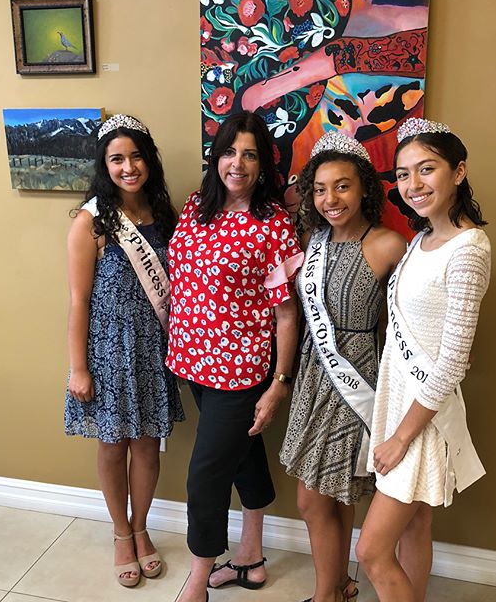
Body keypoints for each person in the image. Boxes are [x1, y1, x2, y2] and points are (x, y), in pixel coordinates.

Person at [167, 111, 303, 602]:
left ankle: (198, 583)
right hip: (192, 363)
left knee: (205, 475)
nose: (238, 164)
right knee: (244, 457)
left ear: (262, 163)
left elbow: (287, 315)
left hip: (241, 372)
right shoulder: (193, 208)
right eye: (229, 151)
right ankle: (251, 558)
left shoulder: (272, 225)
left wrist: (279, 382)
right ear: (216, 156)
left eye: (250, 154)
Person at [355, 118, 491, 602]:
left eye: (426, 169)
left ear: (458, 172)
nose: (413, 185)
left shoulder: (468, 249)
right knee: (415, 527)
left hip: (421, 420)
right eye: (404, 174)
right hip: (402, 402)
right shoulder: (421, 239)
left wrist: (399, 438)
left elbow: (452, 363)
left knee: (371, 551)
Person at [279, 131, 406, 602]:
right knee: (322, 496)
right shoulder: (312, 241)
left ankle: (325, 593)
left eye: (343, 186)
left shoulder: (390, 245)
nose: (330, 199)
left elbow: (402, 328)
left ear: (364, 189)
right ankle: (338, 584)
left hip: (359, 382)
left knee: (326, 495)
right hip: (316, 374)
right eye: (320, 188)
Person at [65, 114, 184, 588]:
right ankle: (120, 534)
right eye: (117, 158)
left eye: (136, 156)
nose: (128, 166)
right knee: (113, 448)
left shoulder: (164, 214)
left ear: (148, 160)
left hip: (153, 350)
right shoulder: (90, 221)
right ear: (104, 164)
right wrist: (79, 368)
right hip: (108, 353)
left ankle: (141, 528)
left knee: (148, 448)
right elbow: (78, 301)